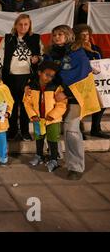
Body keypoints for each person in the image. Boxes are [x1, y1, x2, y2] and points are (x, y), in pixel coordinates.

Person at [43, 25, 101, 180]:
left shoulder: (78, 53)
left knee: (71, 131)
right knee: (51, 127)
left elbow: (82, 78)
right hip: (54, 97)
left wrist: (66, 93)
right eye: (54, 34)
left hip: (74, 97)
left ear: (68, 35)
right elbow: (46, 74)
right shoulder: (49, 53)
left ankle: (75, 167)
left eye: (60, 34)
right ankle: (54, 157)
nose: (57, 37)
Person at [0, 14, 43, 141]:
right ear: (15, 25)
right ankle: (12, 130)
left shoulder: (36, 38)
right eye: (20, 24)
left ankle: (25, 131)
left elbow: (43, 55)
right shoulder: (8, 38)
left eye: (26, 24)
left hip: (28, 76)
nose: (23, 27)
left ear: (29, 25)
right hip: (10, 76)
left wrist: (38, 58)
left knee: (26, 104)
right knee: (12, 104)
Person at [24, 61, 67, 172]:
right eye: (46, 74)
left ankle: (53, 159)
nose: (49, 78)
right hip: (38, 119)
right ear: (39, 73)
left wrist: (53, 115)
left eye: (52, 76)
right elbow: (27, 102)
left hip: (52, 120)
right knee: (39, 138)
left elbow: (62, 104)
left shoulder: (56, 87)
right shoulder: (32, 86)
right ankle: (39, 155)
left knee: (52, 139)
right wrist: (33, 115)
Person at [73, 24, 109, 139]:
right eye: (82, 35)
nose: (85, 37)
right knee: (81, 105)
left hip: (97, 81)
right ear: (77, 36)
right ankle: (78, 129)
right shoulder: (75, 49)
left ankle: (96, 128)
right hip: (82, 81)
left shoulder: (96, 48)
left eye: (87, 34)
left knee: (101, 103)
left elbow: (101, 62)